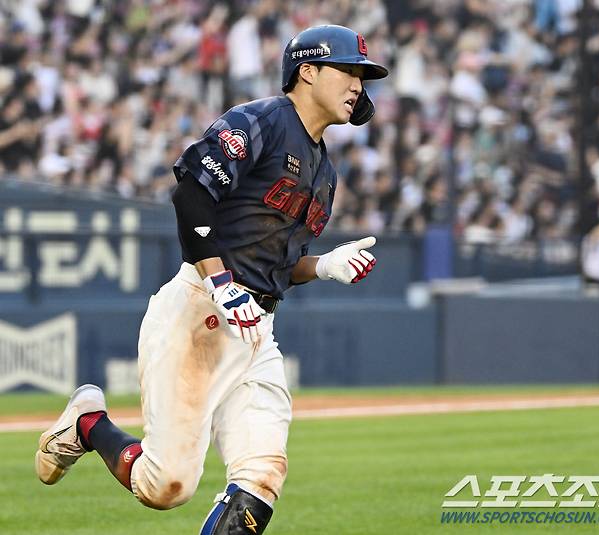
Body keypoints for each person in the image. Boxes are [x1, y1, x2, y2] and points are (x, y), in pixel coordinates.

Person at [34, 25, 388, 535]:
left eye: (363, 75)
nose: (359, 83)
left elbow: (278, 266)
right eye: (348, 70)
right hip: (200, 309)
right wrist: (222, 283)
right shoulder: (261, 120)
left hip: (255, 328)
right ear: (307, 71)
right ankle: (88, 423)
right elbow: (192, 197)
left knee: (260, 479)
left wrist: (324, 265)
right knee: (166, 487)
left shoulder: (324, 172)